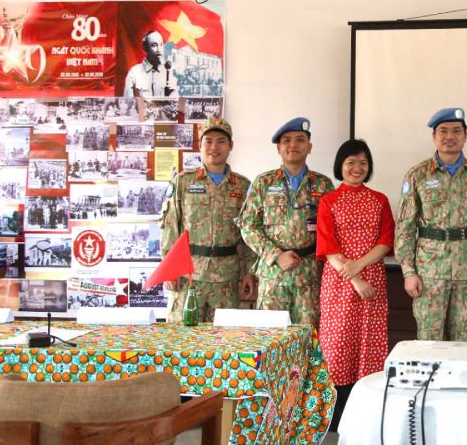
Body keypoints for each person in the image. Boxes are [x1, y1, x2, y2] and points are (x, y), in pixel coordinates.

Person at [395, 107, 467, 341]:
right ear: (434, 136)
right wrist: (408, 272)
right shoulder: (417, 175)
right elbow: (405, 227)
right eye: (443, 131)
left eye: (456, 131)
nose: (450, 136)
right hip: (429, 272)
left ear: (465, 136)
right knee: (429, 339)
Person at [316, 139, 394, 429]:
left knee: (368, 344)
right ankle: (334, 419)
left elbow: (386, 240)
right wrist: (354, 277)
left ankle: (366, 415)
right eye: (351, 162)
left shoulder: (380, 200)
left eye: (363, 162)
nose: (357, 168)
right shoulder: (329, 201)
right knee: (337, 344)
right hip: (338, 283)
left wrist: (359, 270)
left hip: (371, 280)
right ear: (340, 166)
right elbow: (327, 245)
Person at [239, 117, 334, 326]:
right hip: (273, 276)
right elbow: (247, 226)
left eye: (300, 140)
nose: (293, 145)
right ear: (279, 149)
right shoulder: (263, 182)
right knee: (271, 339)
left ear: (309, 147)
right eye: (286, 140)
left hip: (309, 276)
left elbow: (333, 230)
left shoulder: (323, 184)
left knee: (308, 338)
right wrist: (276, 255)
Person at [160, 118, 255, 323]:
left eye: (221, 141)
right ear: (200, 145)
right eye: (208, 141)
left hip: (227, 279)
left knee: (224, 341)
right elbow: (170, 227)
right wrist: (169, 270)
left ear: (230, 146)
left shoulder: (242, 186)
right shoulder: (183, 182)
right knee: (182, 339)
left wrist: (249, 273)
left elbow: (248, 234)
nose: (214, 147)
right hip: (189, 275)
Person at [124, 29, 177, 97]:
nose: (159, 49)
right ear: (145, 48)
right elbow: (128, 103)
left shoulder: (168, 72)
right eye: (154, 45)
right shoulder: (134, 73)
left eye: (161, 44)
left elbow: (176, 103)